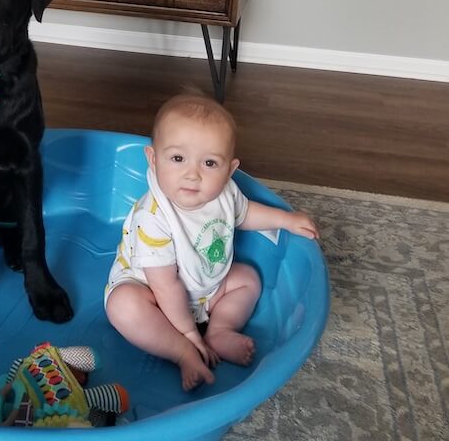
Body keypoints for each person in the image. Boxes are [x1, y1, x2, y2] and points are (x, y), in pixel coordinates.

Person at [104, 93, 319, 392]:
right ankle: (180, 352)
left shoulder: (225, 193)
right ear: (153, 160)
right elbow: (165, 285)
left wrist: (285, 220)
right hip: (153, 292)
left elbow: (244, 214)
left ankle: (219, 330)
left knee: (247, 279)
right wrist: (189, 334)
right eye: (177, 158)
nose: (192, 174)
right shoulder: (153, 217)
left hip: (206, 288)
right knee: (123, 307)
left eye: (209, 163)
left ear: (230, 170)